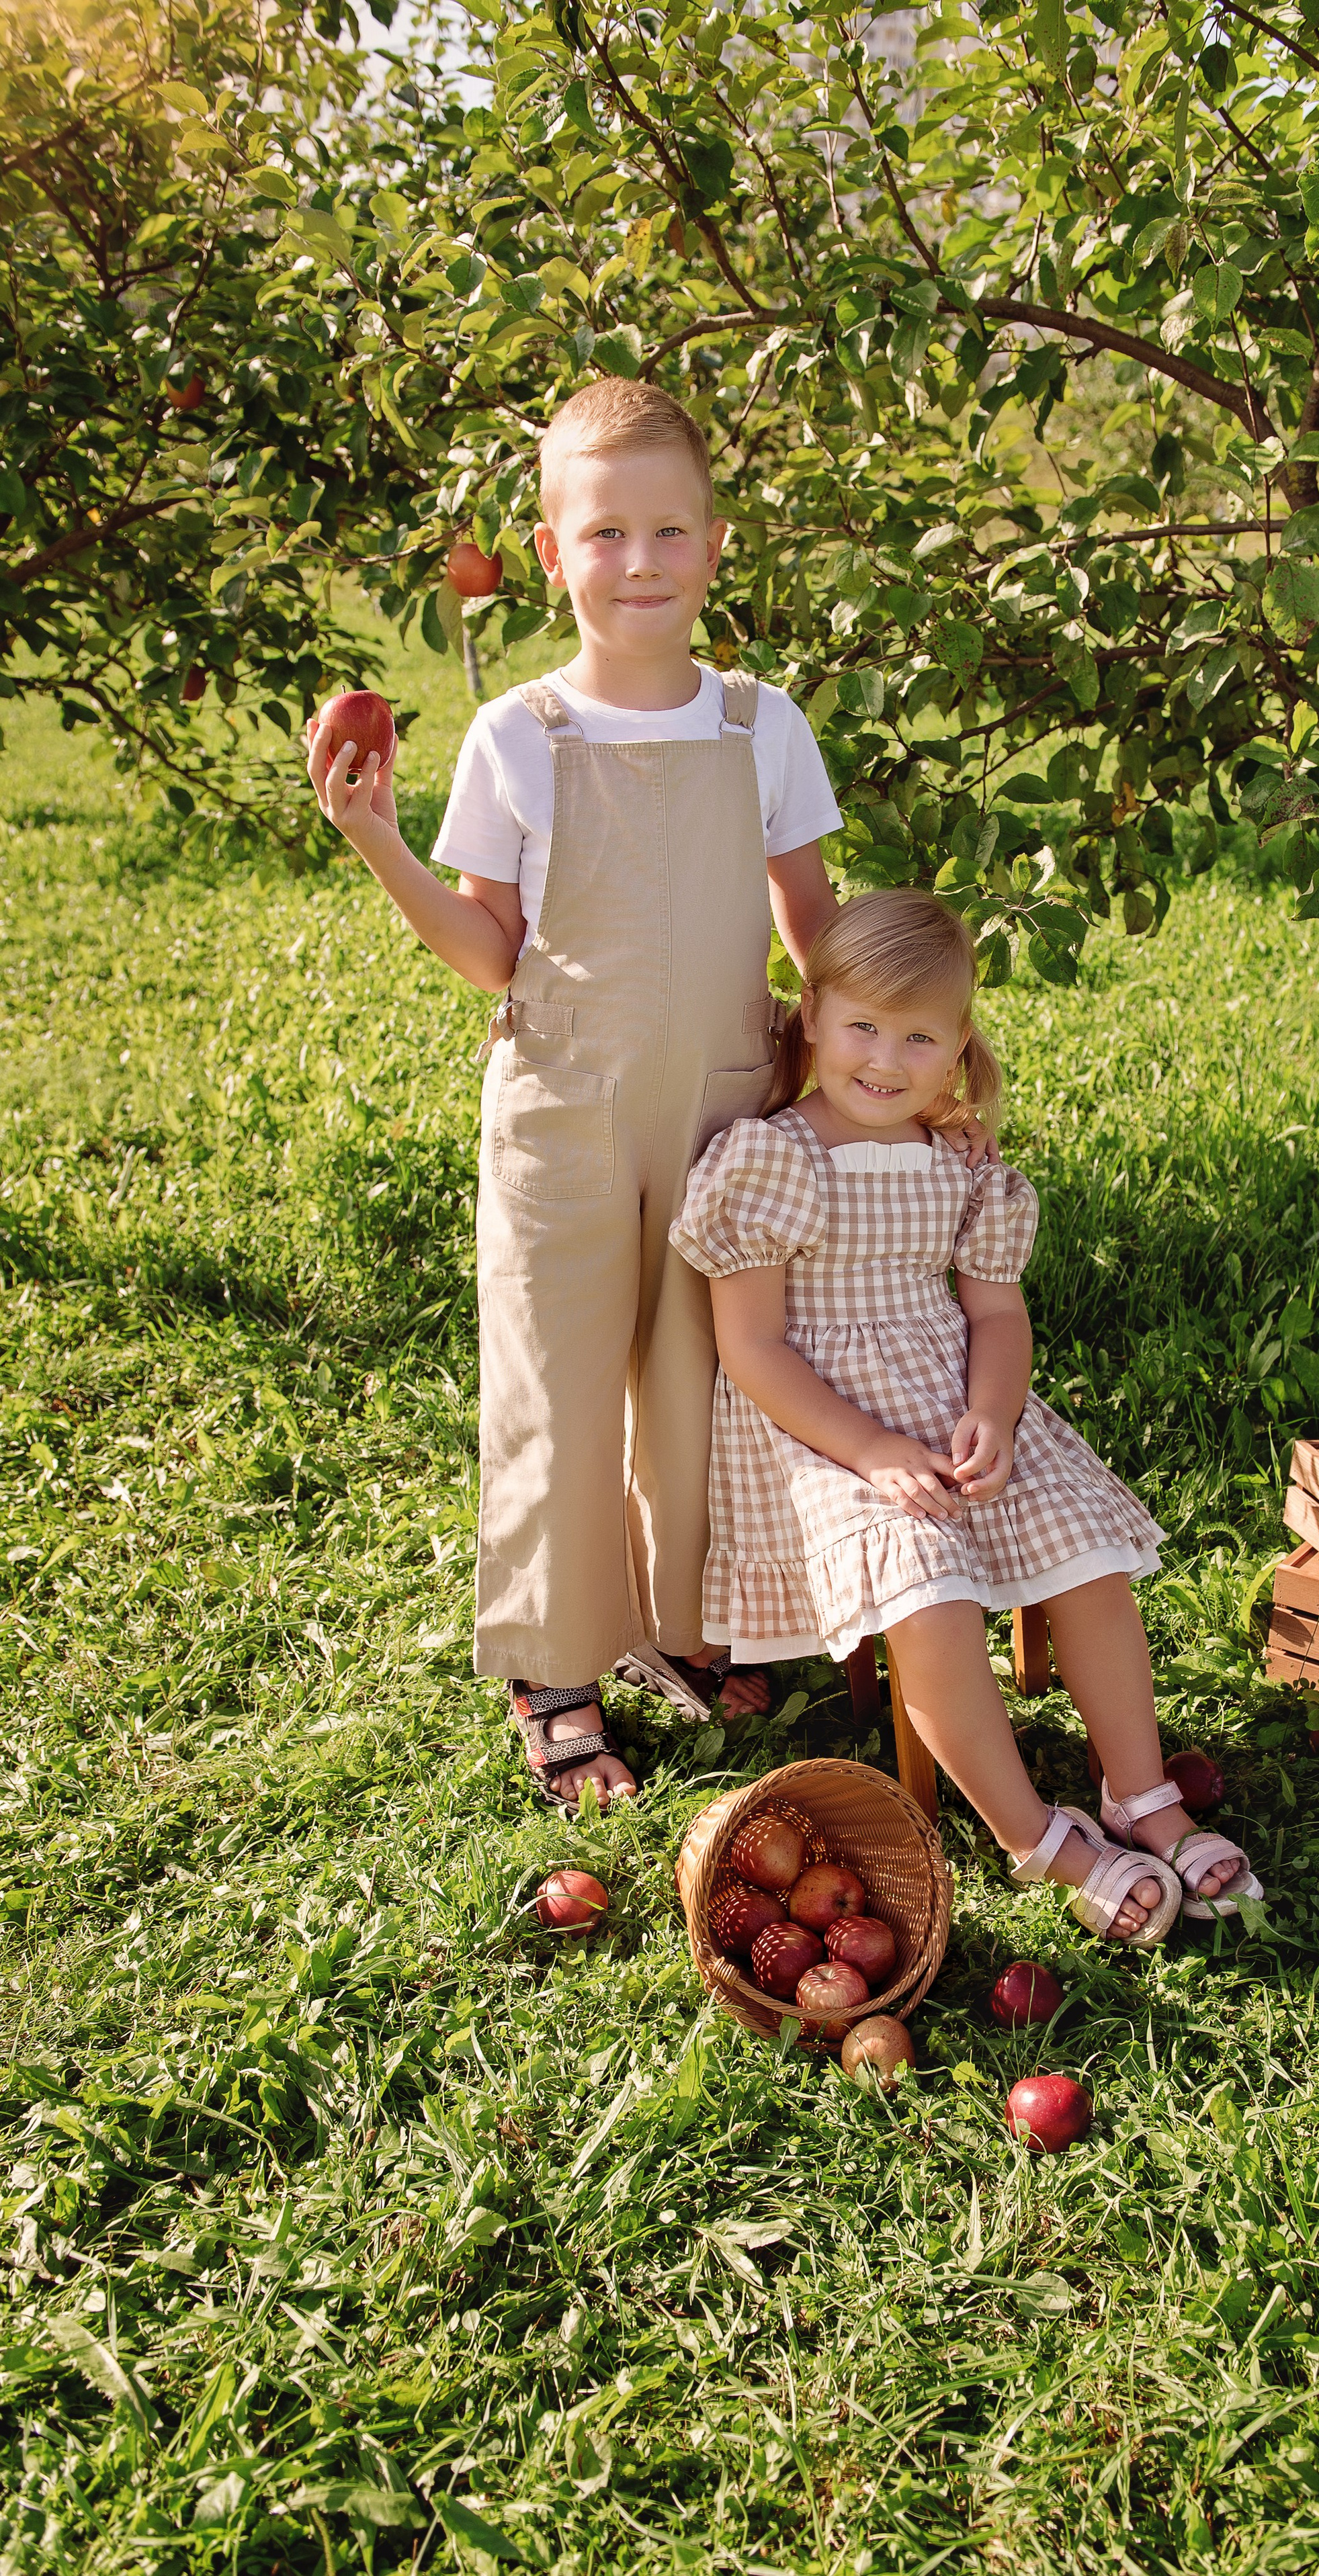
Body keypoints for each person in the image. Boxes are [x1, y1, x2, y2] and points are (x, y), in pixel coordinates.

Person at [305, 378, 850, 1810]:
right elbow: (491, 947)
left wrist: (875, 1061)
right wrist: (377, 841)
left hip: (731, 1099)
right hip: (561, 1101)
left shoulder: (756, 726)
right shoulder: (519, 735)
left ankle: (679, 1626)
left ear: (715, 544)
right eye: (606, 533)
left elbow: (812, 925)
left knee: (696, 1376)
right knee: (554, 1377)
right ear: (551, 553)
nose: (643, 562)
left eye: (670, 530)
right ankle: (552, 1665)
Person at [670, 889, 1264, 1935]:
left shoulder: (961, 1164)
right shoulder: (773, 1160)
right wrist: (874, 1449)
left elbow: (995, 1313)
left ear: (957, 1048)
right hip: (819, 1429)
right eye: (861, 1025)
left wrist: (995, 1408)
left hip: (950, 1397)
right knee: (926, 1586)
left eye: (919, 1036)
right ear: (811, 1015)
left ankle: (1142, 1793)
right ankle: (1038, 1836)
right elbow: (751, 1349)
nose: (885, 1058)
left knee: (1088, 1549)